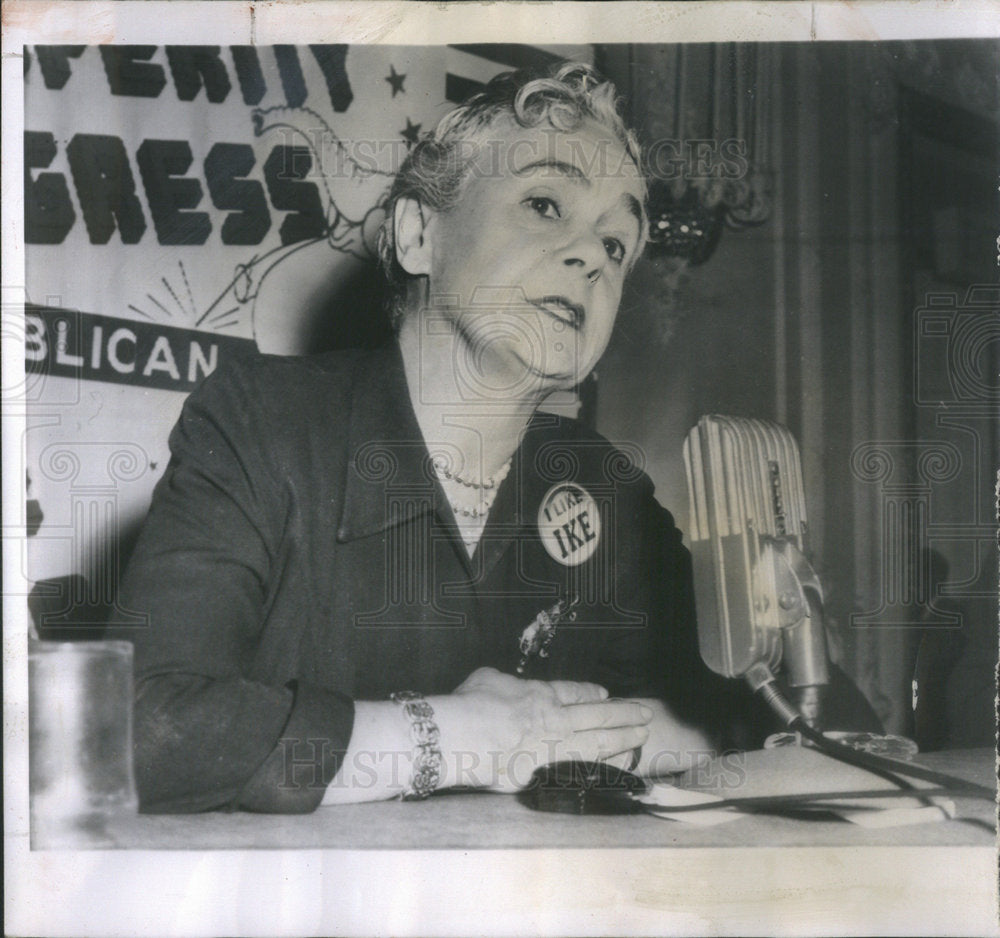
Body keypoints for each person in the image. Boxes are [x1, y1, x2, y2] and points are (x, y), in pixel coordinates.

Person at [117, 62, 725, 814]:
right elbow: (144, 730)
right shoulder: (259, 420)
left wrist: (581, 740)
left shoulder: (607, 492)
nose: (590, 257)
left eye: (617, 244)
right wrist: (459, 736)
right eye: (544, 204)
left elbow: (763, 722)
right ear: (417, 234)